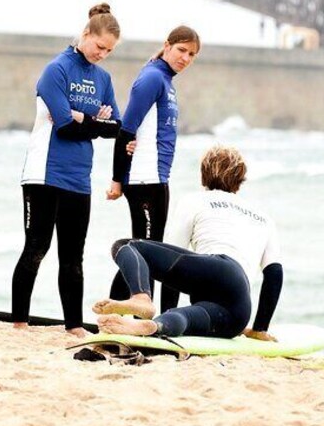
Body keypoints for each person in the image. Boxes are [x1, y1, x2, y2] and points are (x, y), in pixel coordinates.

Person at [94, 145, 283, 341]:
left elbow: (175, 262)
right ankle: (156, 325)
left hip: (217, 269)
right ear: (240, 179)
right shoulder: (263, 217)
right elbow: (274, 274)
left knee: (127, 247)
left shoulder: (195, 200)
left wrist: (163, 300)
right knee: (182, 317)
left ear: (204, 174)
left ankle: (141, 298)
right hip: (238, 311)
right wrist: (260, 328)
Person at [15, 3, 122, 338]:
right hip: (44, 173)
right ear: (86, 34)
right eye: (99, 46)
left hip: (79, 177)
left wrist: (83, 118)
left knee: (73, 256)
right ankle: (19, 322)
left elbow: (115, 126)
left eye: (109, 50)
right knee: (36, 248)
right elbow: (63, 126)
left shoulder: (103, 78)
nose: (102, 54)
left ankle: (74, 325)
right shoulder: (56, 70)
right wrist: (91, 121)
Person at [106, 26, 200, 310]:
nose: (185, 58)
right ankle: (126, 316)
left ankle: (122, 316)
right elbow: (126, 131)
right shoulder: (151, 78)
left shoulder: (166, 81)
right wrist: (117, 180)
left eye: (192, 54)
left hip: (158, 178)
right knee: (143, 253)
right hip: (143, 178)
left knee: (145, 253)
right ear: (167, 45)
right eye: (181, 50)